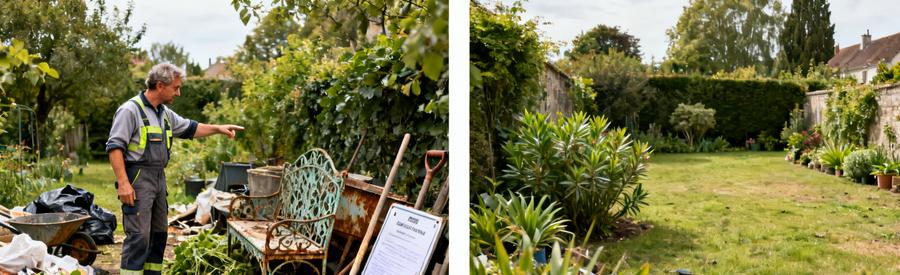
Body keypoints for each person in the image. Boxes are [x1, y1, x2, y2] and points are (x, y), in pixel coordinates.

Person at [105, 63, 243, 275]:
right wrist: (123, 183)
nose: (178, 93)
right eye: (175, 88)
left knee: (159, 235)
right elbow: (115, 147)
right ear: (160, 85)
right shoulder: (130, 110)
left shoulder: (164, 114)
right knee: (139, 236)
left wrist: (218, 128)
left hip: (158, 179)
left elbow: (191, 128)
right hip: (138, 179)